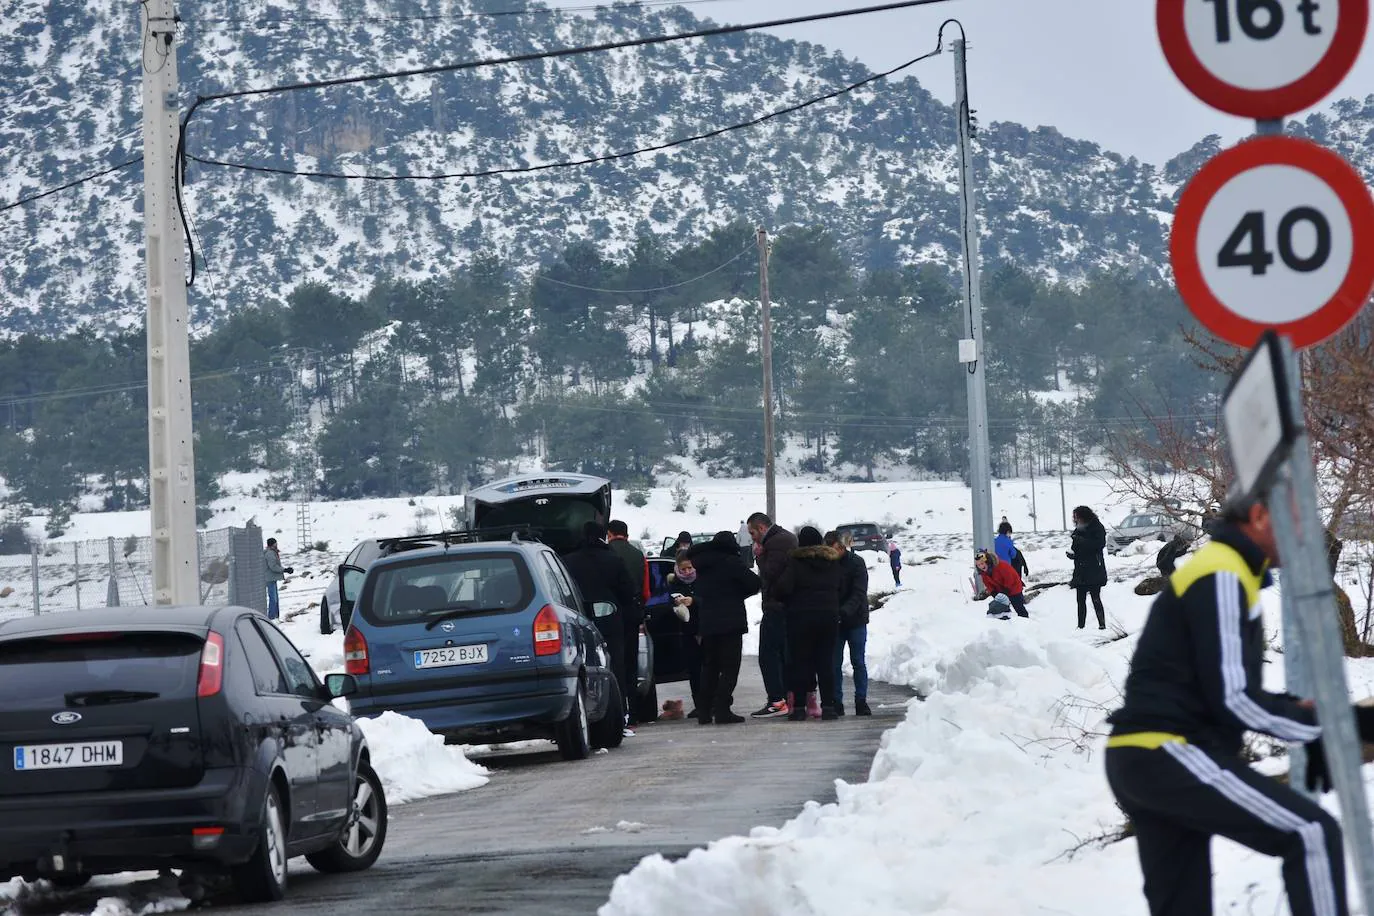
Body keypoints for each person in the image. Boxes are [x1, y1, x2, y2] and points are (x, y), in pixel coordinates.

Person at [1105, 490, 1361, 916]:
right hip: (1168, 752)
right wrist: (1325, 728)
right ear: (1259, 517)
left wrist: (1300, 716)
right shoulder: (1224, 575)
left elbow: (1225, 691)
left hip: (1137, 758)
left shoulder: (1224, 573)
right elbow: (1235, 699)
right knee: (1310, 833)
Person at [561, 521, 640, 737]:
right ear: (603, 536)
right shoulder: (614, 560)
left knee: (583, 669)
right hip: (611, 621)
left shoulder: (568, 562)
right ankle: (619, 714)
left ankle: (585, 714)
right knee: (615, 668)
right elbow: (628, 592)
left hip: (579, 624)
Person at [685, 531, 762, 725]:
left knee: (710, 666)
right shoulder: (731, 562)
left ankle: (704, 711)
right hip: (730, 622)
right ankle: (722, 709)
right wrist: (737, 593)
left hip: (708, 622)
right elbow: (754, 583)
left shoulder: (701, 562)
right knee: (730, 668)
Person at [772, 526, 843, 722]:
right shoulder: (833, 562)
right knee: (825, 662)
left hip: (800, 617)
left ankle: (800, 708)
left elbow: (782, 588)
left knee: (801, 663)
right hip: (828, 617)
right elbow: (841, 586)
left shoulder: (795, 562)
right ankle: (828, 706)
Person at [747, 512, 798, 718]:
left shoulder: (776, 543)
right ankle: (788, 696)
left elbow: (770, 572)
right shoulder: (785, 538)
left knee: (768, 654)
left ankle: (776, 700)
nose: (752, 537)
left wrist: (759, 555)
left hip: (777, 605)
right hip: (785, 605)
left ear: (761, 528)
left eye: (752, 533)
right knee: (783, 654)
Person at [606, 520, 650, 728]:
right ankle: (633, 713)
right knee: (631, 665)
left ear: (610, 534)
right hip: (632, 615)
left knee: (614, 665)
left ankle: (618, 711)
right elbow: (646, 591)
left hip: (608, 616)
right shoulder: (638, 555)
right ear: (626, 533)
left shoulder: (606, 554)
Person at [827, 531, 871, 717]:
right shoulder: (827, 564)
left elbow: (859, 592)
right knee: (834, 663)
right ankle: (837, 701)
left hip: (855, 619)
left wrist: (844, 611)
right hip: (835, 621)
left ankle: (861, 700)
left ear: (842, 546)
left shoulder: (856, 563)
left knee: (858, 662)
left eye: (835, 548)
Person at [667, 550, 704, 718]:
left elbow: (709, 598)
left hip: (705, 628)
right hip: (687, 630)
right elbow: (667, 601)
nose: (687, 572)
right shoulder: (674, 583)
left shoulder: (703, 578)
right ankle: (700, 704)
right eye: (683, 570)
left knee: (709, 668)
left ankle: (713, 701)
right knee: (694, 670)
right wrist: (675, 603)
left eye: (689, 568)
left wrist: (694, 600)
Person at [1068, 505, 1109, 629]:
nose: (1075, 519)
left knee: (1095, 598)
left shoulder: (1097, 527)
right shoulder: (1078, 529)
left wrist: (1082, 541)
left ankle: (1102, 624)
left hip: (1094, 568)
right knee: (1080, 600)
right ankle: (1081, 626)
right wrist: (1073, 554)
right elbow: (1076, 546)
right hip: (1080, 569)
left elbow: (1099, 544)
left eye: (1077, 516)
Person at [975, 547, 1029, 618]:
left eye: (982, 563)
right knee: (1001, 609)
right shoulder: (983, 573)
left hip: (1014, 588)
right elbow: (987, 583)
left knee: (1018, 607)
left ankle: (1025, 621)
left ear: (987, 562)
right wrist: (993, 592)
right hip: (1000, 590)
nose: (981, 566)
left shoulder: (1001, 566)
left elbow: (1010, 578)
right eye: (978, 565)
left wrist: (1006, 590)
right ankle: (1006, 622)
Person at [263, 538, 293, 620]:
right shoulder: (270, 553)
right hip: (270, 579)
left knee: (275, 599)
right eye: (275, 543)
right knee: (273, 599)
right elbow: (273, 566)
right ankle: (272, 617)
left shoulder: (272, 552)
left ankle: (275, 616)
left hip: (272, 578)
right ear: (273, 544)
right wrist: (284, 570)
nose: (277, 545)